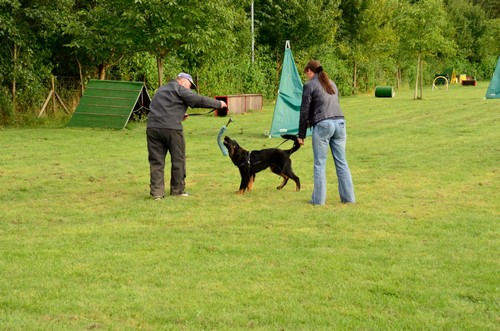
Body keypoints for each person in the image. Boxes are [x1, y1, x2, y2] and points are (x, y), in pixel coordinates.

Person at [147, 72, 227, 200]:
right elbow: (197, 100)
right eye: (190, 86)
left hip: (152, 128)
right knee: (178, 160)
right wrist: (218, 104)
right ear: (183, 81)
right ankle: (177, 190)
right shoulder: (179, 89)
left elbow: (161, 107)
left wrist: (178, 114)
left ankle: (157, 193)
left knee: (156, 161)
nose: (189, 89)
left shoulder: (161, 89)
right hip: (172, 129)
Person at [298, 60, 355, 205]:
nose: (306, 77)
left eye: (306, 74)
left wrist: (301, 135)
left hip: (323, 125)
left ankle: (318, 201)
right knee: (342, 162)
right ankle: (349, 199)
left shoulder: (309, 85)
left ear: (310, 71)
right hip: (340, 123)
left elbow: (304, 111)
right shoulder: (331, 83)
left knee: (320, 164)